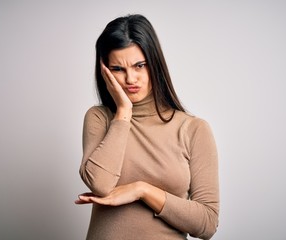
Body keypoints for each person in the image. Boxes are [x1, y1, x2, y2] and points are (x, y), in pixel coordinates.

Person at [75, 14, 219, 240]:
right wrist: (123, 112)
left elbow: (207, 223)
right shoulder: (100, 118)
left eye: (139, 65)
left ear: (155, 64)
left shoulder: (193, 129)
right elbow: (101, 184)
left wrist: (142, 190)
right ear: (105, 71)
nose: (130, 78)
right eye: (118, 69)